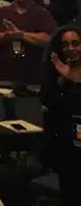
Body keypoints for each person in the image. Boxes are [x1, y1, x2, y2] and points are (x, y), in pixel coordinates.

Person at [42, 25, 81, 204]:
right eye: (66, 45)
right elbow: (49, 102)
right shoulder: (55, 70)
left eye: (76, 43)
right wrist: (63, 78)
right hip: (67, 143)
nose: (71, 49)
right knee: (69, 192)